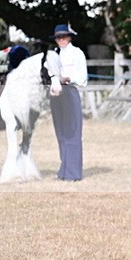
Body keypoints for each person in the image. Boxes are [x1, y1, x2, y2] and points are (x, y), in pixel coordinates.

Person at [50, 23, 87, 181]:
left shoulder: (77, 53)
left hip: (70, 91)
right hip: (56, 93)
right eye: (58, 37)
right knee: (60, 132)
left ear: (69, 37)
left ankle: (73, 172)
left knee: (72, 131)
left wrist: (68, 78)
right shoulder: (53, 55)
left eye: (63, 36)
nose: (61, 39)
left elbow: (82, 77)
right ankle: (64, 169)